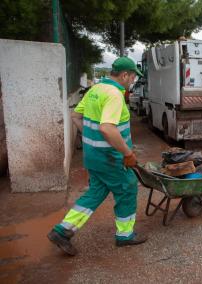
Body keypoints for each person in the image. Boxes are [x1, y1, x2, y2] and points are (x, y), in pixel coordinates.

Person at [47, 57, 146, 256]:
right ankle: (125, 236)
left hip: (93, 156)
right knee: (127, 189)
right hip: (111, 158)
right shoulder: (114, 95)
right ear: (125, 75)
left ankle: (62, 230)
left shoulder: (96, 90)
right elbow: (107, 128)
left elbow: (76, 115)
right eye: (133, 76)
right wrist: (127, 154)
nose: (133, 80)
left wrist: (90, 138)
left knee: (96, 192)